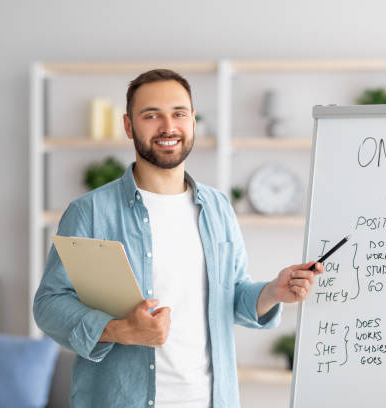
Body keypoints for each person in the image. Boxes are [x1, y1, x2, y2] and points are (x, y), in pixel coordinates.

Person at [33, 69, 324, 408]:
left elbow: (230, 296)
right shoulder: (90, 212)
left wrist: (274, 291)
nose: (168, 127)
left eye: (178, 114)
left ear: (193, 122)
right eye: (151, 115)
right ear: (128, 126)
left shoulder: (218, 207)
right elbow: (48, 304)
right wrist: (118, 329)